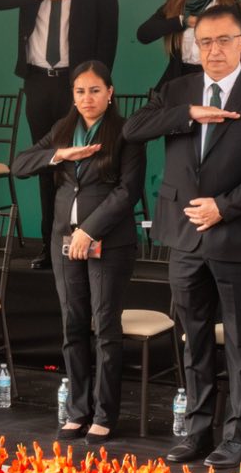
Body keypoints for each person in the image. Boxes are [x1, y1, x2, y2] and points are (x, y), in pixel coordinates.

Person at [123, 5, 241, 469]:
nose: (213, 50)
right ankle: (198, 431)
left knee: (239, 344)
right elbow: (133, 130)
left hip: (237, 236)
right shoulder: (177, 91)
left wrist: (223, 207)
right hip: (184, 237)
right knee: (192, 342)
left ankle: (238, 436)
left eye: (223, 40)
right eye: (204, 42)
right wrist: (188, 114)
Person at [10, 62, 142, 440]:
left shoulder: (126, 132)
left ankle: (104, 414)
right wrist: (60, 155)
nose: (87, 98)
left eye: (95, 90)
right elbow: (19, 165)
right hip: (63, 241)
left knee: (104, 327)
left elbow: (127, 192)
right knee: (73, 324)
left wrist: (89, 230)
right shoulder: (63, 129)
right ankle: (78, 410)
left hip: (108, 242)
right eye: (80, 91)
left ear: (110, 93)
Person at [0, 0, 118, 268]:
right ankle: (49, 245)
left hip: (76, 87)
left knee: (82, 166)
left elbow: (109, 35)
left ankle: (81, 242)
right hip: (38, 81)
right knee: (47, 163)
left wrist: (97, 86)